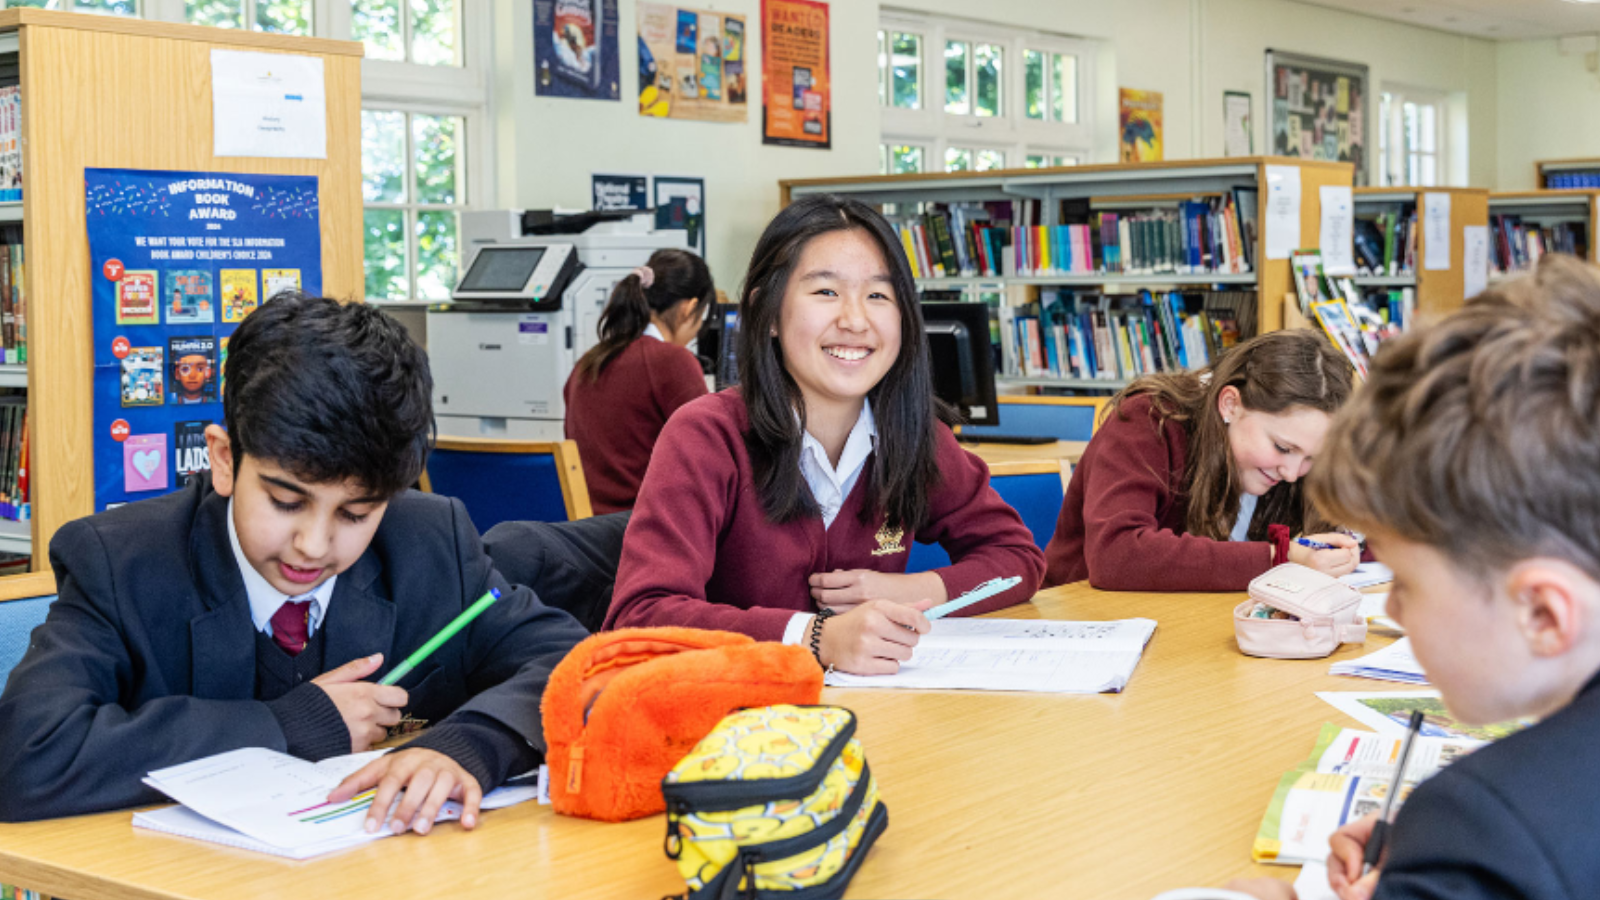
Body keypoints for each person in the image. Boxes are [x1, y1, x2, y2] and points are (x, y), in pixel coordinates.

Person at [0, 293, 591, 834]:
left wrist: (472, 744)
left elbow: (578, 667)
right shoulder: (121, 562)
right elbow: (26, 754)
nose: (313, 544)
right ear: (226, 460)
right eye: (286, 502)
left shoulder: (429, 541)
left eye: (356, 514)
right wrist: (291, 725)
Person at [1226, 254, 1600, 900]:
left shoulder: (1481, 832)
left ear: (1542, 613)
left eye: (1406, 581)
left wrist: (1446, 866)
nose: (1393, 611)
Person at [604, 195, 1045, 675]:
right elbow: (640, 617)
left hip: (882, 721)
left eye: (879, 295)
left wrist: (917, 589)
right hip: (741, 730)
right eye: (826, 292)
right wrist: (814, 637)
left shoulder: (916, 435)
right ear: (767, 313)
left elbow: (1017, 560)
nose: (855, 320)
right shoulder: (707, 435)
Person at [1043, 330, 1359, 592]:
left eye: (1311, 458)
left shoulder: (1287, 459)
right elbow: (1117, 554)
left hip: (1191, 629)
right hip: (1091, 629)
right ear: (1230, 405)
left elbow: (1354, 536)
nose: (1292, 473)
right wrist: (1280, 557)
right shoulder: (1149, 420)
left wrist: (1346, 548)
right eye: (1281, 447)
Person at [563, 249, 714, 514]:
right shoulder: (671, 361)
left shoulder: (587, 363)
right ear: (689, 308)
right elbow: (712, 454)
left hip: (586, 534)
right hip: (644, 531)